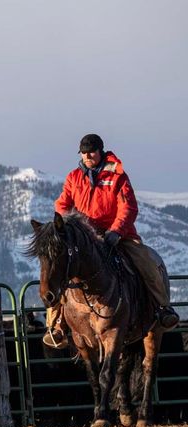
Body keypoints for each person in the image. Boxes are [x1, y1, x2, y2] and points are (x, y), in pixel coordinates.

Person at [45, 133, 179, 348]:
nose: (87, 156)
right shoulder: (74, 177)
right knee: (60, 265)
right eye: (83, 153)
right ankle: (56, 324)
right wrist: (69, 225)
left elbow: (128, 207)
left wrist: (116, 231)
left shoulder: (117, 176)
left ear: (100, 151)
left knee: (147, 261)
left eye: (91, 152)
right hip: (85, 237)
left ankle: (162, 308)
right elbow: (62, 204)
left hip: (117, 236)